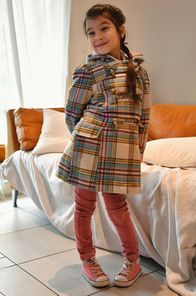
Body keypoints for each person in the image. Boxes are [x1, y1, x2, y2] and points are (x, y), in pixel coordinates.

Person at [56, 3, 150, 288]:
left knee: (117, 207)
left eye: (104, 28)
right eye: (91, 32)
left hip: (121, 151)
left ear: (121, 30)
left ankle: (132, 261)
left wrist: (138, 151)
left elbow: (143, 118)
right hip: (88, 146)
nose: (97, 37)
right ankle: (88, 260)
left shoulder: (140, 72)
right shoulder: (86, 70)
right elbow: (72, 113)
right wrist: (88, 136)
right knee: (83, 207)